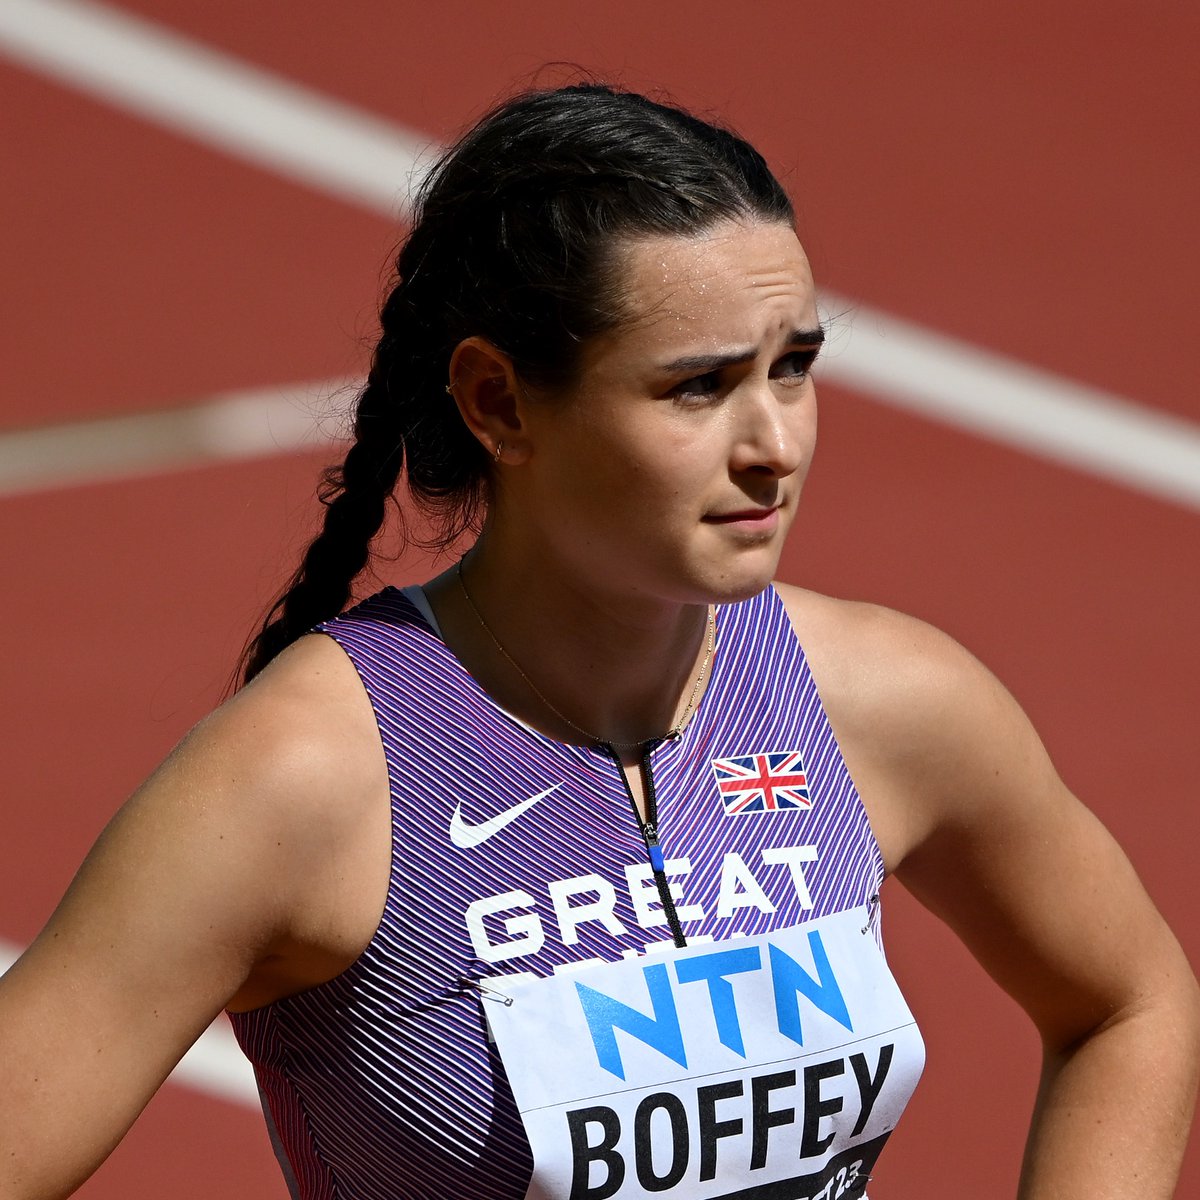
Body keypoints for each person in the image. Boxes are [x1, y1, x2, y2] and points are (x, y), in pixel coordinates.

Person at [1, 83, 1196, 1200]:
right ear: (499, 403)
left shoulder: (886, 703)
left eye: (794, 368)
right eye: (697, 387)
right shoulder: (301, 783)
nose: (772, 443)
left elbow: (1131, 1005)